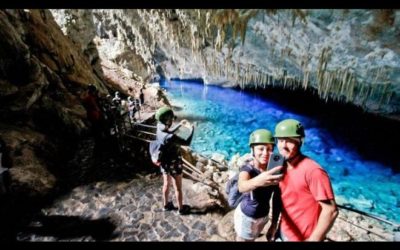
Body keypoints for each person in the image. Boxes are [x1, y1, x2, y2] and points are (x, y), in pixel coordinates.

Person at [274, 119, 338, 241]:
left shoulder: (313, 171)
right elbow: (281, 197)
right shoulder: (279, 163)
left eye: (289, 141)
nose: (283, 146)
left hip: (302, 237)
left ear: (300, 142)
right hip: (283, 230)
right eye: (281, 140)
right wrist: (274, 225)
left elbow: (331, 210)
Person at [234, 129, 283, 242]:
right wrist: (259, 180)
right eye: (261, 149)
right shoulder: (248, 169)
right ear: (252, 150)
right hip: (247, 217)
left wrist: (274, 223)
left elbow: (277, 198)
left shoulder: (274, 170)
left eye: (269, 149)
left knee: (253, 238)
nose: (265, 153)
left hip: (263, 216)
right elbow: (242, 186)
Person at [155, 106, 194, 215]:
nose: (172, 120)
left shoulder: (159, 127)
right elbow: (187, 142)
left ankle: (166, 205)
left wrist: (179, 125)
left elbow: (168, 130)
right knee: (178, 187)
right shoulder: (170, 138)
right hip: (174, 162)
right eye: (171, 119)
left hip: (164, 162)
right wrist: (192, 129)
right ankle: (181, 209)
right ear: (167, 120)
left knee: (166, 184)